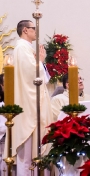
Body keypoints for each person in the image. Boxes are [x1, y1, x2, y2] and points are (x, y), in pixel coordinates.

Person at [8, 20, 53, 176]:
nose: (36, 31)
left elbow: (42, 77)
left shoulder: (25, 48)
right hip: (28, 107)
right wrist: (40, 61)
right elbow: (31, 75)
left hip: (32, 103)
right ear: (25, 30)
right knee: (27, 157)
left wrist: (40, 62)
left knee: (33, 155)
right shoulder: (21, 48)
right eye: (34, 28)